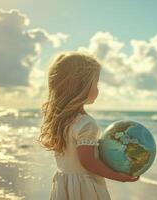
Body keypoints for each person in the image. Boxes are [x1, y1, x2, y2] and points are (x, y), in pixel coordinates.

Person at [38, 51, 139, 200]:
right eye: (96, 83)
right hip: (84, 188)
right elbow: (88, 162)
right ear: (81, 85)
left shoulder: (60, 120)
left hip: (64, 184)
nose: (98, 89)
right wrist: (117, 176)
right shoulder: (86, 124)